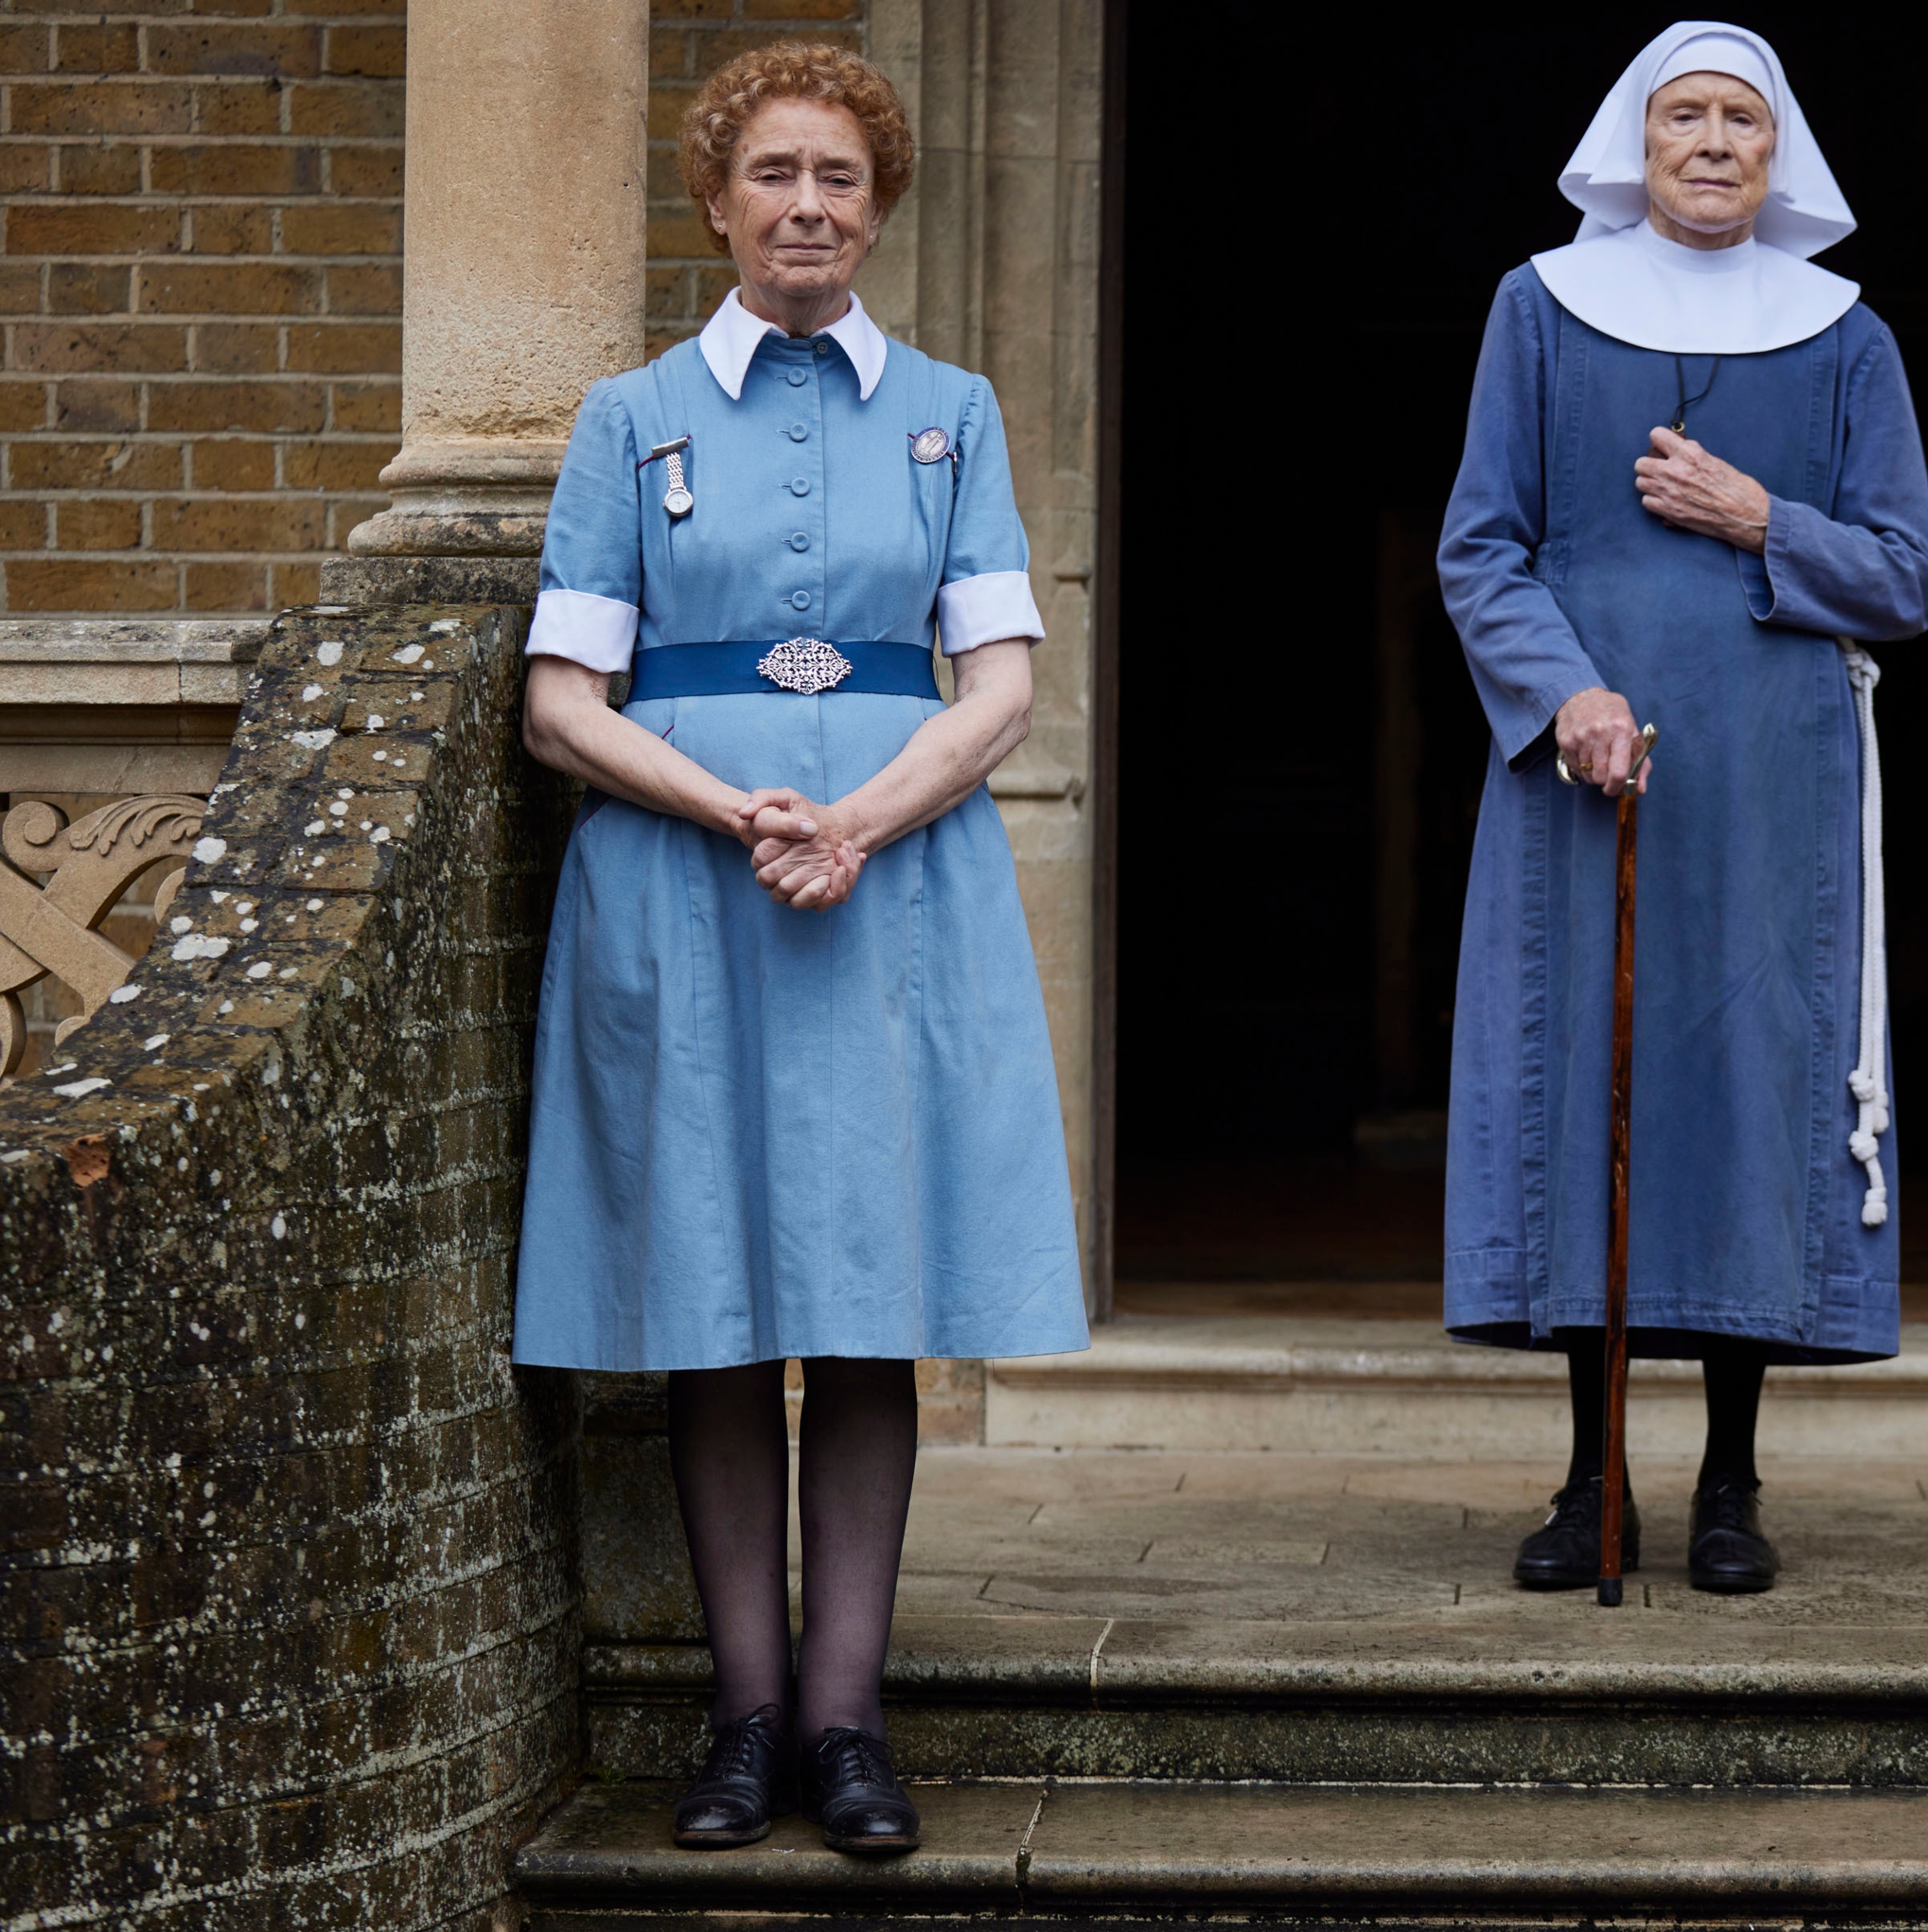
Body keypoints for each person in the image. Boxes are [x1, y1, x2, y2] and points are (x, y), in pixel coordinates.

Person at [507, 41, 1087, 1856]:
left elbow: (996, 681)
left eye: (841, 177)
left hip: (888, 893)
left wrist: (858, 818)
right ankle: (738, 1720)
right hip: (688, 891)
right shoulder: (631, 417)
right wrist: (730, 804)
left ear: (881, 204)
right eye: (776, 174)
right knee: (711, 1304)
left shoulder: (955, 412)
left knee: (859, 1314)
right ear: (715, 200)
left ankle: (847, 1727)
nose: (810, 207)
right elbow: (554, 704)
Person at [1437, 20, 1928, 1596]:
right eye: (1684, 119)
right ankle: (1597, 1482)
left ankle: (1730, 1479)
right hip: (1580, 773)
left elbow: (1908, 575)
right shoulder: (1538, 309)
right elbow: (1482, 545)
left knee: (1743, 1088)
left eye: (1741, 120)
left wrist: (1758, 515)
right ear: (1633, 148)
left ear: (1777, 153)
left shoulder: (1851, 338)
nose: (1714, 143)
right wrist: (1564, 690)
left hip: (1776, 779)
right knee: (1597, 1090)